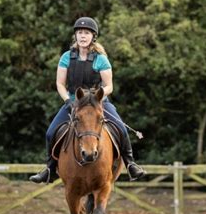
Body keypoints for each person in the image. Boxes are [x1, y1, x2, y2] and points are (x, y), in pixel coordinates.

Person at [30, 17, 146, 184]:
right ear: (75, 36)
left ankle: (130, 165)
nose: (82, 36)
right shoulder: (67, 57)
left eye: (86, 33)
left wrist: (97, 95)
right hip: (74, 104)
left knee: (121, 128)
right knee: (50, 132)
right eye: (79, 33)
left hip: (99, 103)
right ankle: (49, 168)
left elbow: (109, 86)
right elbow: (60, 84)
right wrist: (67, 100)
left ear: (93, 37)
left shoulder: (101, 59)